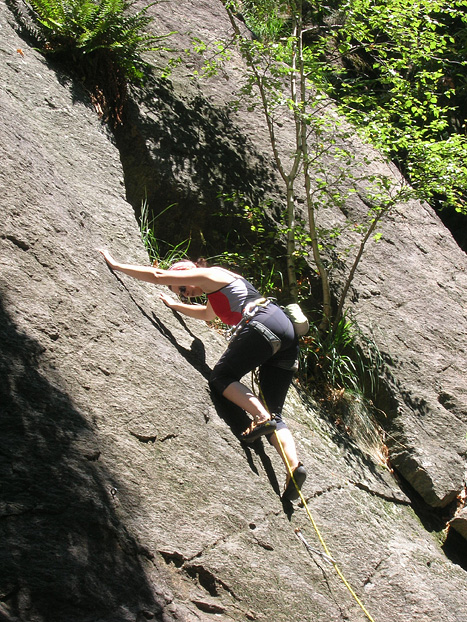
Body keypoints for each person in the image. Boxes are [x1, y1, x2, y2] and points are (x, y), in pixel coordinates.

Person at [98, 249, 307, 501]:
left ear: (189, 271)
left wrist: (116, 265)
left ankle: (260, 417)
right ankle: (294, 468)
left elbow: (156, 275)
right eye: (181, 293)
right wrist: (174, 305)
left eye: (182, 287)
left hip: (264, 323)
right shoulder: (217, 289)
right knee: (275, 413)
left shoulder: (211, 275)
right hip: (285, 336)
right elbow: (206, 315)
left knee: (222, 377)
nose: (185, 293)